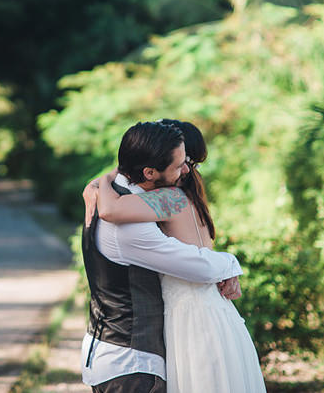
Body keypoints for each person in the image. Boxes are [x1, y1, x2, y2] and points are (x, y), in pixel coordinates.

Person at [85, 119, 266, 393]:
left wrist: (101, 181)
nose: (183, 168)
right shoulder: (188, 197)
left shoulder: (171, 198)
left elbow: (112, 210)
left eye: (183, 161)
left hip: (191, 317)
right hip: (210, 311)